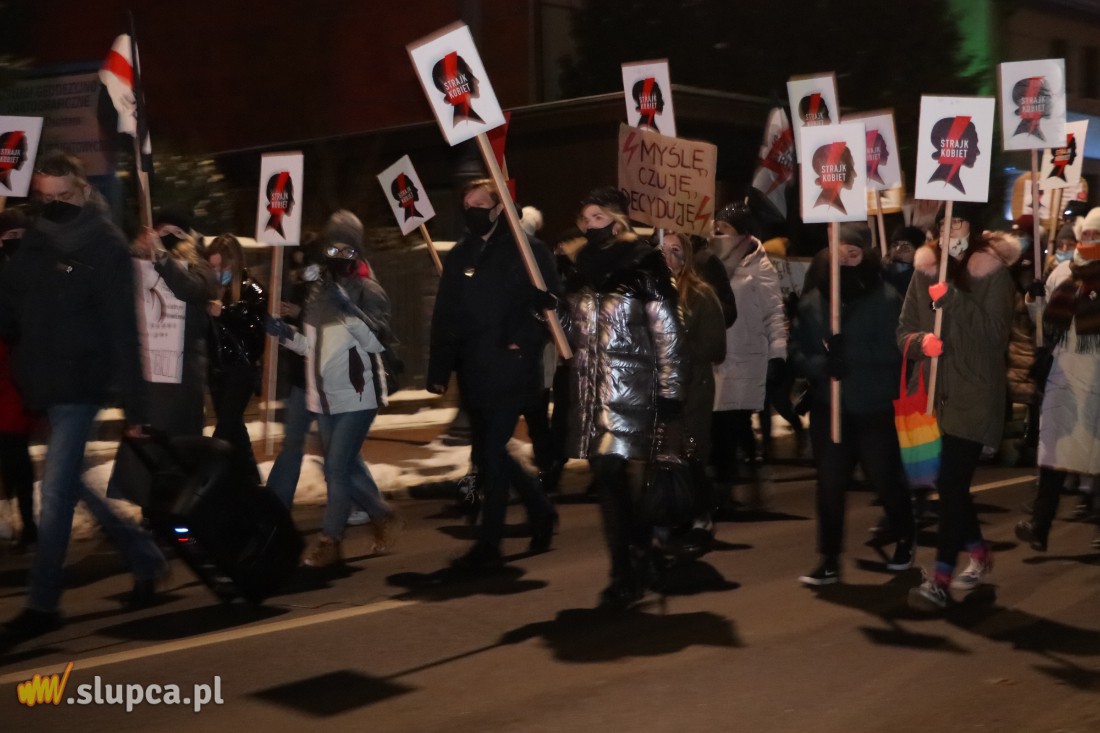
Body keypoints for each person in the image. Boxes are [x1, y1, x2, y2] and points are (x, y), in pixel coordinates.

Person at [0, 151, 165, 641]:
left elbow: (123, 329)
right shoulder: (36, 240)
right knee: (68, 481)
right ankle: (144, 555)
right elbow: (12, 309)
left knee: (53, 492)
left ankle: (43, 604)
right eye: (45, 198)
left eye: (63, 197)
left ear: (81, 188)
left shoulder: (104, 242)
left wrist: (136, 405)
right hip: (43, 382)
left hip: (83, 383)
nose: (54, 206)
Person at [427, 179, 559, 570]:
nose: (472, 210)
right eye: (466, 204)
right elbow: (446, 316)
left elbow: (551, 303)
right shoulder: (460, 255)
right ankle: (540, 510)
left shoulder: (527, 250)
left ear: (499, 208)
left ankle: (489, 542)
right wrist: (440, 370)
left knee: (489, 452)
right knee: (492, 451)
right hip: (474, 370)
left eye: (480, 203)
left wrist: (523, 338)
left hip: (513, 368)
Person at [563, 187, 685, 607]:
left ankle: (631, 563)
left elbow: (667, 330)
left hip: (635, 387)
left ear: (616, 219)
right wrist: (547, 308)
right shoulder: (577, 267)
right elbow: (570, 330)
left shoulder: (643, 264)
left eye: (596, 217)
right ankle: (633, 560)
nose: (589, 226)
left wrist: (671, 390)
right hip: (590, 391)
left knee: (618, 476)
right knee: (609, 480)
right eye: (585, 220)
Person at [899, 203, 1019, 612]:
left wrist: (954, 302)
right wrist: (919, 343)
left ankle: (941, 580)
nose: (951, 229)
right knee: (949, 487)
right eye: (944, 222)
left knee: (950, 485)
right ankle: (979, 552)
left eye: (960, 220)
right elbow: (904, 331)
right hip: (933, 394)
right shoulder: (925, 270)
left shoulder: (993, 273)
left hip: (974, 395)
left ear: (975, 226)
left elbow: (994, 337)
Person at [267, 217, 398, 567]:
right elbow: (312, 346)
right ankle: (380, 513)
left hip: (358, 395)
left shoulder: (370, 291)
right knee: (342, 467)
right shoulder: (319, 291)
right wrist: (282, 333)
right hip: (323, 397)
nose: (338, 255)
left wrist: (350, 310)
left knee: (336, 469)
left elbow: (377, 340)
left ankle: (331, 540)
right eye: (332, 248)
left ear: (358, 251)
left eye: (346, 248)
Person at [790, 223, 915, 585]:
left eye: (854, 248)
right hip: (831, 408)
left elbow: (897, 351)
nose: (847, 254)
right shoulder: (815, 299)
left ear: (866, 252)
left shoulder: (886, 297)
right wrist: (821, 364)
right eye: (840, 247)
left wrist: (853, 353)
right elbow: (798, 350)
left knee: (885, 479)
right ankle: (829, 559)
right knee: (829, 485)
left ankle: (905, 536)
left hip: (873, 406)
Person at [108, 217, 219, 507]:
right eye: (162, 231)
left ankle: (175, 509)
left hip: (182, 376)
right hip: (147, 374)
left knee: (178, 449)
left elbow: (194, 289)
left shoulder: (199, 266)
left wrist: (163, 259)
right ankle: (150, 510)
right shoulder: (134, 266)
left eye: (176, 231)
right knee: (146, 449)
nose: (168, 236)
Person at [1016, 207, 1100, 552]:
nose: (1089, 241)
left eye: (1096, 236)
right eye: (1087, 235)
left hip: (1096, 376)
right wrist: (1035, 299)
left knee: (1094, 457)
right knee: (1052, 452)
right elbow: (1044, 326)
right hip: (1062, 371)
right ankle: (1040, 525)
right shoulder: (1062, 272)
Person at [710, 202, 788, 507]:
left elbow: (773, 312)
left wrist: (777, 354)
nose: (717, 233)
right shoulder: (708, 262)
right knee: (719, 425)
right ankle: (728, 482)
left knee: (734, 422)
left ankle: (738, 481)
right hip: (715, 355)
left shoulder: (759, 266)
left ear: (741, 232)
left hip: (747, 355)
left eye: (724, 228)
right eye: (715, 227)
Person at [659, 231, 726, 554]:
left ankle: (701, 518)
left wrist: (675, 348)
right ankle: (671, 517)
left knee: (691, 453)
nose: (667, 257)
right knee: (663, 456)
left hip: (691, 388)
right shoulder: (648, 294)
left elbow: (715, 347)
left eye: (675, 251)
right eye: (661, 250)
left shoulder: (700, 295)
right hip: (658, 391)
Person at [204, 234, 266, 485]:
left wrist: (226, 313)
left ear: (235, 262)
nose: (219, 272)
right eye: (213, 267)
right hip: (217, 371)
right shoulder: (211, 290)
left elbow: (255, 329)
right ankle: (252, 482)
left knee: (224, 431)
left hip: (241, 370)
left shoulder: (252, 290)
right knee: (235, 431)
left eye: (223, 266)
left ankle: (208, 480)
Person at [0, 208, 37, 550]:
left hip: (17, 373)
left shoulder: (35, 273)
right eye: (8, 237)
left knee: (14, 449)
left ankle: (27, 522)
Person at [884, 225, 923, 298]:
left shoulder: (920, 280)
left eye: (905, 248)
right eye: (894, 245)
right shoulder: (881, 274)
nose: (898, 250)